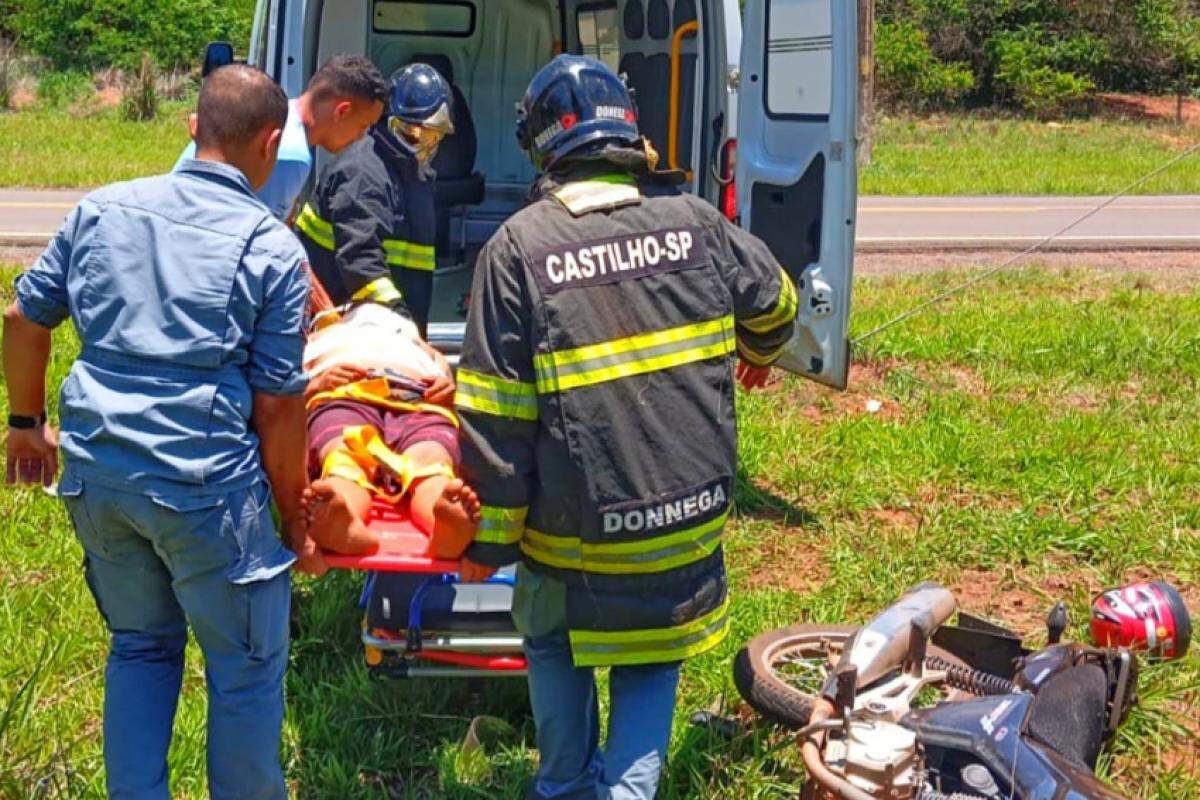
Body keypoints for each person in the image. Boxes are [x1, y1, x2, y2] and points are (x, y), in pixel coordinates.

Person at [453, 55, 799, 800]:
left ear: (543, 145)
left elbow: (497, 420)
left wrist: (486, 541)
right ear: (629, 135)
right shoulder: (696, 222)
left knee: (552, 639)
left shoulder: (518, 249)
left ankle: (566, 784)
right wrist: (759, 354)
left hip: (575, 541)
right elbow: (777, 305)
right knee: (650, 658)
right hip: (687, 528)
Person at [3, 65, 319, 799]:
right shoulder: (270, 248)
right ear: (272, 143)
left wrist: (25, 426)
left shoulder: (102, 208)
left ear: (191, 128)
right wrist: (293, 516)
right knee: (243, 671)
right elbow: (278, 405)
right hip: (203, 488)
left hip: (99, 476)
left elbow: (24, 317)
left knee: (141, 648)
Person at [299, 299, 481, 558]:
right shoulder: (318, 337)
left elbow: (445, 378)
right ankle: (341, 519)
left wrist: (447, 390)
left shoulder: (414, 340)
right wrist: (315, 384)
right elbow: (282, 391)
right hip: (346, 395)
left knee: (430, 459)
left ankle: (444, 524)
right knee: (346, 455)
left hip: (417, 398)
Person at [294, 62, 454, 334]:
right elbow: (361, 263)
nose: (424, 145)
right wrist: (401, 324)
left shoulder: (414, 176)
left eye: (433, 136)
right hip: (349, 327)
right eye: (414, 134)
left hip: (382, 329)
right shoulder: (363, 173)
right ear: (389, 123)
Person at [175, 54, 390, 221]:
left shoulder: (279, 118)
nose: (361, 138)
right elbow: (258, 247)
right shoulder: (291, 155)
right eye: (363, 126)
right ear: (342, 111)